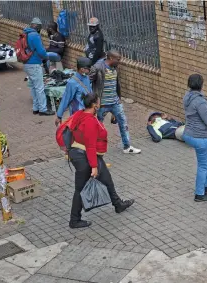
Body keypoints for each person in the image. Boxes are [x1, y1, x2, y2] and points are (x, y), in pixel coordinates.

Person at [67, 93, 135, 229]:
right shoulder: (90, 121)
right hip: (85, 157)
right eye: (98, 102)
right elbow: (90, 145)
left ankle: (118, 204)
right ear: (94, 105)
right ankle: (74, 220)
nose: (100, 103)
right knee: (80, 189)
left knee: (107, 179)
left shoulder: (80, 114)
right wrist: (93, 166)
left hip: (82, 154)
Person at [89, 50, 141, 154]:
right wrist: (93, 101)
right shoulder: (98, 67)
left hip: (115, 102)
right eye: (118, 59)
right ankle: (93, 149)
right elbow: (87, 81)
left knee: (123, 122)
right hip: (102, 104)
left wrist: (119, 99)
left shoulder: (114, 67)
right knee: (97, 126)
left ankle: (127, 146)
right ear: (111, 58)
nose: (120, 61)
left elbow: (116, 85)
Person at [183, 74, 207, 202]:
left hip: (190, 134)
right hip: (201, 137)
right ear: (201, 85)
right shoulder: (199, 101)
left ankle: (205, 186)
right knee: (203, 164)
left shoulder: (188, 96)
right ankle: (199, 194)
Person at [23, 17, 54, 116]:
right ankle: (43, 109)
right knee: (39, 88)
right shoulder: (35, 35)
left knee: (33, 87)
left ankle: (36, 108)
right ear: (37, 27)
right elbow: (41, 51)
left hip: (27, 64)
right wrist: (46, 57)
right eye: (40, 27)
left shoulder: (25, 34)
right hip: (34, 64)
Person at [55, 57, 92, 126]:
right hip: (78, 114)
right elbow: (66, 99)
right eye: (88, 69)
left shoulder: (87, 78)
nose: (89, 71)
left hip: (88, 112)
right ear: (82, 69)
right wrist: (59, 115)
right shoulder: (72, 83)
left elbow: (89, 92)